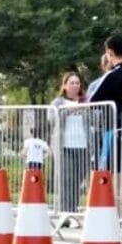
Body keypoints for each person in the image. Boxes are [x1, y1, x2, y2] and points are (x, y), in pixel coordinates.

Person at [89, 35, 122, 207]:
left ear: (109, 52)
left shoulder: (113, 75)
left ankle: (111, 216)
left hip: (113, 131)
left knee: (109, 175)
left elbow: (93, 102)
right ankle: (120, 214)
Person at [51, 72, 89, 213]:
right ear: (65, 85)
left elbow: (96, 121)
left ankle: (73, 210)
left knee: (77, 180)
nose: (74, 86)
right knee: (66, 179)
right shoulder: (58, 102)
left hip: (83, 145)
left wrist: (87, 110)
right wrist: (68, 110)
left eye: (77, 83)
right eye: (71, 83)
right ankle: (64, 211)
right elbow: (52, 119)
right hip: (64, 146)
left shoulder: (86, 102)